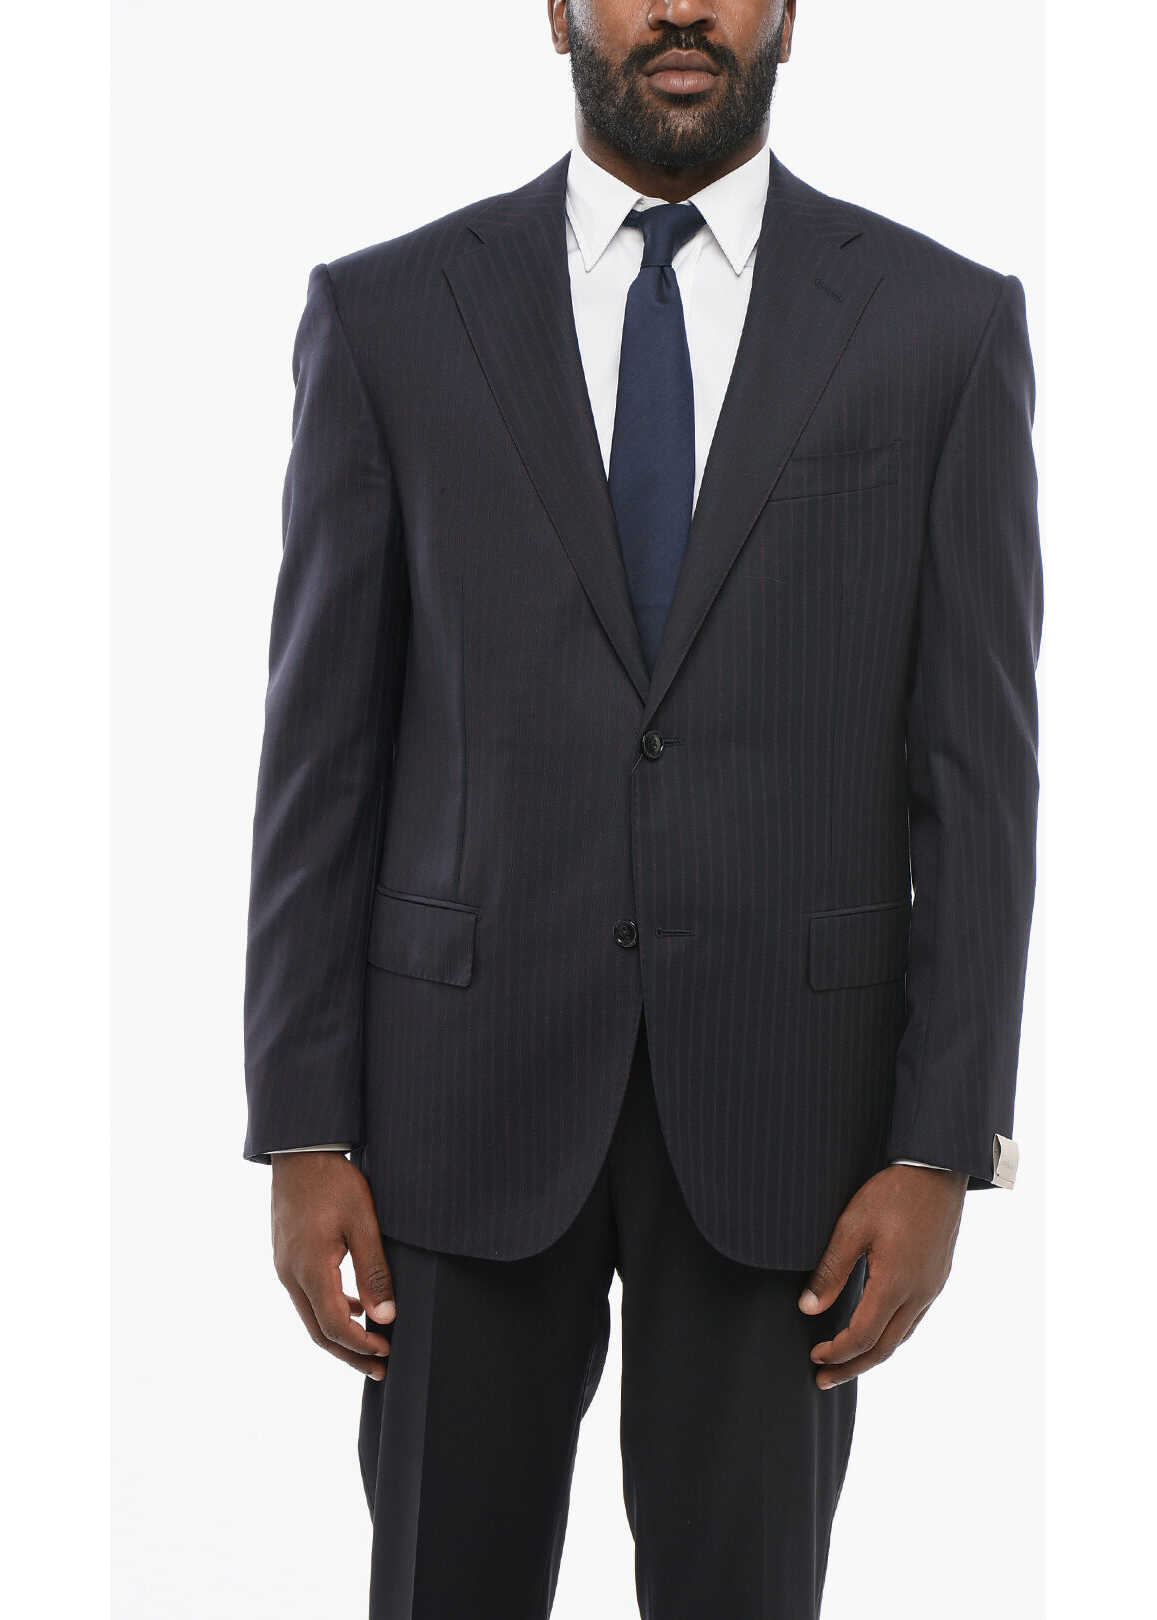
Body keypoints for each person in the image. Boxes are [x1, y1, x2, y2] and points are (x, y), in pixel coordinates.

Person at [242, 3, 1042, 1614]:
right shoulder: (390, 315)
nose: (682, 8)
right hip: (452, 1110)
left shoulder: (939, 327)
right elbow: (322, 750)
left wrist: (939, 1147)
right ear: (556, 9)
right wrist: (303, 1124)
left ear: (790, 14)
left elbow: (977, 774)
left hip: (788, 1123)